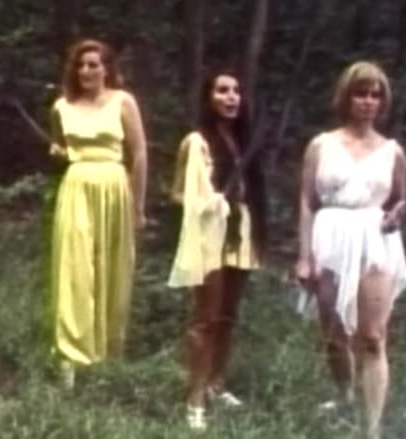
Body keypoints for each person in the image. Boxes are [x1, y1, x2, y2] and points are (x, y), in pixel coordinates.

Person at [295, 60, 406, 439]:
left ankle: (371, 430)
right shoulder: (322, 145)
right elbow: (307, 200)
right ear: (346, 97)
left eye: (375, 95)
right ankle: (345, 395)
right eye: (361, 93)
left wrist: (396, 214)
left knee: (373, 337)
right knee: (334, 334)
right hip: (330, 236)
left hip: (375, 240)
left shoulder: (393, 151)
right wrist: (304, 256)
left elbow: (399, 199)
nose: (368, 101)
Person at [168, 68, 267, 430]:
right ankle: (194, 398)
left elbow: (252, 193)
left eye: (236, 91)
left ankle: (216, 382)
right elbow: (178, 193)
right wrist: (206, 203)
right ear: (208, 98)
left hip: (240, 229)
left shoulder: (243, 141)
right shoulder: (196, 142)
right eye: (223, 90)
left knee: (228, 316)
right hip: (209, 231)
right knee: (206, 318)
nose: (231, 97)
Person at [48, 38, 148, 388]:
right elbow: (60, 144)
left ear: (107, 69)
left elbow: (139, 154)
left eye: (93, 64)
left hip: (114, 186)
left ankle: (107, 351)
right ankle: (72, 354)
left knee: (112, 266)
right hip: (77, 186)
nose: (86, 71)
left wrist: (138, 206)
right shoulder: (62, 106)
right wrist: (59, 151)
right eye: (80, 65)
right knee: (74, 268)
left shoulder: (123, 101)